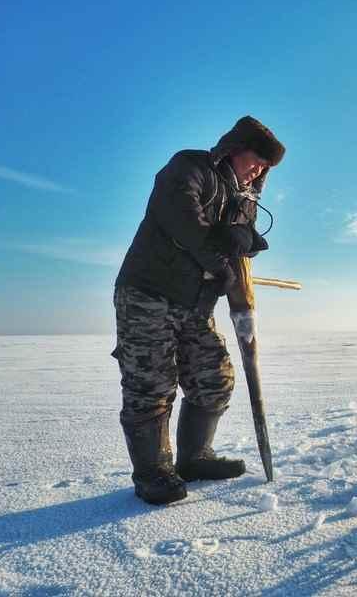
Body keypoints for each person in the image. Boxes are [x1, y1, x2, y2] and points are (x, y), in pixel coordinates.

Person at [113, 116, 285, 504]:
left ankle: (194, 458)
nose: (258, 170)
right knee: (150, 384)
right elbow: (182, 219)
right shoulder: (191, 167)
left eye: (264, 167)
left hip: (196, 303)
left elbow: (235, 246)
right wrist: (220, 259)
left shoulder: (246, 200)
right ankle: (153, 472)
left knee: (214, 376)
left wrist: (245, 241)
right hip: (149, 292)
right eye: (255, 159)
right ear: (234, 147)